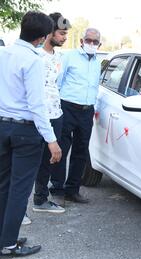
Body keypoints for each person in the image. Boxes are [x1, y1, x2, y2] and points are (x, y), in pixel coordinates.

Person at [0, 11, 62, 258]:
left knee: (3, 185)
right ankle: (8, 244)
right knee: (19, 189)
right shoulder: (34, 60)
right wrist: (52, 141)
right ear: (42, 37)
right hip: (26, 130)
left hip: (3, 126)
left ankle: (4, 236)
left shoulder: (3, 53)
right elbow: (37, 105)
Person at [50, 28, 102, 205]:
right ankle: (57, 189)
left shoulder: (97, 61)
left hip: (87, 111)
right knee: (61, 149)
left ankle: (72, 189)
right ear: (82, 41)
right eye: (89, 40)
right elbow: (58, 81)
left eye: (95, 42)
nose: (91, 44)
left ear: (99, 44)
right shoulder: (69, 57)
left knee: (81, 151)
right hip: (68, 107)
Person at [31, 12, 71, 215]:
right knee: (28, 162)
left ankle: (40, 199)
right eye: (61, 33)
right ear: (49, 33)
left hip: (56, 114)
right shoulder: (35, 56)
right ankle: (17, 211)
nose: (64, 37)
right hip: (37, 116)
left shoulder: (59, 57)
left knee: (50, 159)